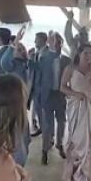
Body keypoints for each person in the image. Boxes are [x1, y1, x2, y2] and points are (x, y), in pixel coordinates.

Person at [59, 45, 91, 181]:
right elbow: (62, 87)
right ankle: (71, 171)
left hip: (90, 106)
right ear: (79, 54)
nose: (88, 55)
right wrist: (76, 94)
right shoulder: (70, 68)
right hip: (75, 106)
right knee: (76, 139)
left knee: (90, 140)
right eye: (86, 53)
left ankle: (82, 173)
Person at [37, 33, 69, 166]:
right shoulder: (43, 58)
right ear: (50, 43)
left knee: (62, 121)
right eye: (55, 42)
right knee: (47, 124)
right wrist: (38, 96)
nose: (57, 45)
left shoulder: (66, 60)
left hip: (60, 95)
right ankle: (45, 150)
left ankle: (59, 144)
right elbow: (38, 78)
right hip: (47, 95)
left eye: (59, 42)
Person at [28, 32, 49, 138]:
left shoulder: (47, 53)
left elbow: (41, 68)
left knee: (44, 112)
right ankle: (41, 129)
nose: (35, 41)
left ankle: (48, 135)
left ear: (42, 40)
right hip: (35, 87)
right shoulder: (37, 53)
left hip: (43, 87)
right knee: (37, 110)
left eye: (36, 39)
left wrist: (28, 59)